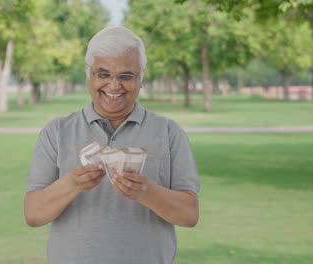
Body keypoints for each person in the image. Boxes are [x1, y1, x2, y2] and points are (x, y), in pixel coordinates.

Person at [24, 26, 200, 264]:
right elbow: (33, 214)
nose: (114, 85)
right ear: (89, 76)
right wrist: (72, 184)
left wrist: (146, 192)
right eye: (103, 74)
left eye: (125, 76)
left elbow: (189, 214)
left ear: (140, 78)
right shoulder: (56, 132)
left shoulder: (169, 133)